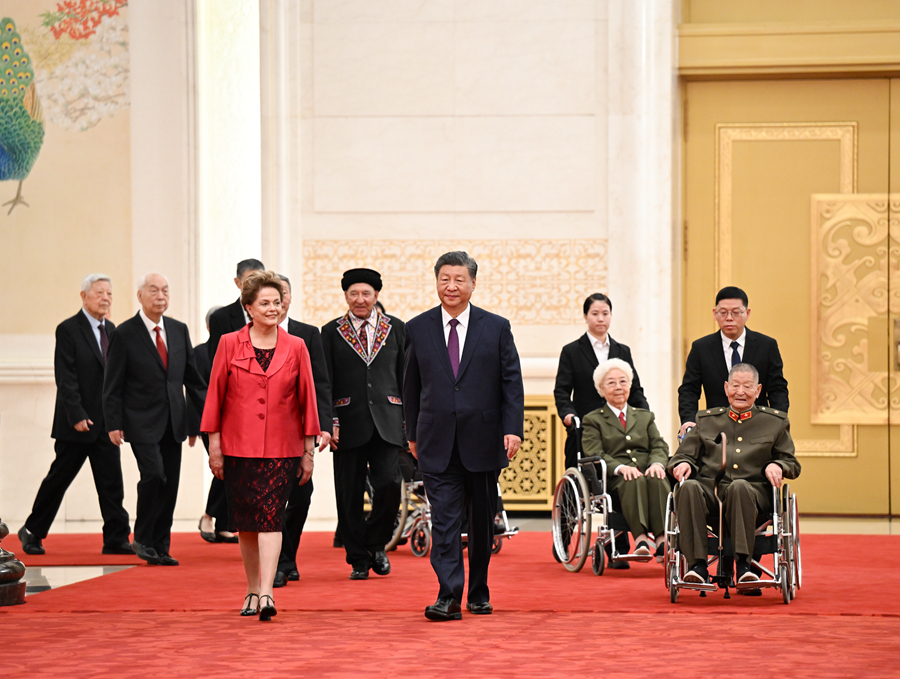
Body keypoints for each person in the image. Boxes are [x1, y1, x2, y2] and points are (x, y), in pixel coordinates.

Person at [403, 251, 524, 621]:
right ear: (436, 282)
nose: (451, 286)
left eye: (459, 279)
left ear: (473, 283)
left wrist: (512, 428)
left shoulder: (496, 327)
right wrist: (411, 433)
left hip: (483, 440)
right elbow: (411, 386)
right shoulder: (418, 327)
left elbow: (511, 382)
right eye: (445, 279)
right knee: (444, 521)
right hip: (435, 439)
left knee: (482, 522)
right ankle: (448, 596)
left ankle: (479, 591)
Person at [201, 270, 319, 621]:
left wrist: (308, 452)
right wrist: (214, 446)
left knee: (270, 517)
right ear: (248, 307)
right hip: (238, 448)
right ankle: (252, 588)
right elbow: (215, 397)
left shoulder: (297, 346)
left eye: (277, 302)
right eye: (264, 303)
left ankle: (266, 592)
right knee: (247, 523)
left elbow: (308, 400)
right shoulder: (228, 343)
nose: (273, 308)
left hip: (283, 448)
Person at [18, 274, 131, 556]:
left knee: (112, 483)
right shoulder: (68, 329)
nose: (105, 298)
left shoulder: (112, 330)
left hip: (105, 423)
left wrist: (118, 418)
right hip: (76, 423)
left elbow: (117, 378)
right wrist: (77, 414)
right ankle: (32, 531)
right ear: (84, 296)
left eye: (109, 293)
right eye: (99, 292)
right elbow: (65, 376)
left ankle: (116, 538)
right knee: (59, 479)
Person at [102, 273, 207, 566]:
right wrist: (113, 423)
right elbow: (112, 383)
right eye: (153, 290)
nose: (161, 296)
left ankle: (161, 546)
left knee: (169, 484)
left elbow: (193, 381)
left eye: (165, 290)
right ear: (140, 296)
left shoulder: (178, 330)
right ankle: (143, 538)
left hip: (174, 421)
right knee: (154, 475)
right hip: (140, 421)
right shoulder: (125, 333)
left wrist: (204, 419)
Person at [668, 363, 800, 585]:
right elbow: (682, 456)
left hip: (753, 493)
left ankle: (745, 567)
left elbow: (791, 463)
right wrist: (682, 463)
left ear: (758, 390)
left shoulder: (774, 422)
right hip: (711, 493)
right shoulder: (706, 420)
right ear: (726, 388)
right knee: (688, 487)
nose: (741, 392)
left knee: (739, 486)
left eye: (747, 386)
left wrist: (777, 465)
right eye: (735, 386)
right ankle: (697, 567)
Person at [321, 268, 405, 580]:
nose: (360, 299)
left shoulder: (396, 328)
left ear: (376, 296)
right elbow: (324, 382)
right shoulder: (330, 332)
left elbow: (406, 376)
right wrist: (329, 421)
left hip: (389, 420)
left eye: (366, 294)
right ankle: (358, 558)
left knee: (389, 485)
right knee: (349, 493)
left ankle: (376, 543)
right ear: (345, 295)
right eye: (353, 294)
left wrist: (409, 422)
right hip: (346, 422)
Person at [273, 274, 332, 589]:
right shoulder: (247, 336)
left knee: (300, 494)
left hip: (298, 430)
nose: (277, 301)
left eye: (282, 293)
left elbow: (320, 382)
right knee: (271, 496)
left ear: (290, 297)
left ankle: (287, 555)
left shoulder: (308, 334)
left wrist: (324, 425)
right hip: (261, 430)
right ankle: (279, 562)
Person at [582, 358, 668, 559]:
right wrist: (620, 467)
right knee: (632, 479)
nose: (618, 387)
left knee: (658, 478)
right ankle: (641, 540)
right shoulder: (593, 419)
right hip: (616, 477)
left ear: (630, 385)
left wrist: (657, 463)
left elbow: (659, 445)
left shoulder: (645, 416)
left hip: (646, 470)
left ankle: (662, 540)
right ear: (601, 389)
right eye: (611, 383)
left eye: (623, 381)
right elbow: (594, 453)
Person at [678, 286, 789, 439]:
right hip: (716, 430)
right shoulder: (701, 348)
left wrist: (778, 421)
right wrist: (689, 420)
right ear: (715, 314)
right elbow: (689, 390)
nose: (729, 318)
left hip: (758, 429)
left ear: (747, 313)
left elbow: (778, 389)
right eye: (723, 313)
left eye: (736, 313)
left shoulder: (766, 346)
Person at [555, 293, 649, 468]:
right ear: (585, 316)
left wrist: (645, 414)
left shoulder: (622, 351)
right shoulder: (571, 351)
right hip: (586, 426)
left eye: (605, 313)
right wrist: (568, 414)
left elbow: (635, 389)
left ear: (611, 316)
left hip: (619, 428)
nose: (600, 319)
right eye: (595, 314)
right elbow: (562, 390)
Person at [186, 305, 237, 544]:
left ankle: (223, 525)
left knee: (233, 471)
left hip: (236, 422)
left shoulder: (238, 349)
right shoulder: (198, 353)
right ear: (209, 327)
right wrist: (193, 427)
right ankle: (208, 515)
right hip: (210, 423)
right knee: (224, 468)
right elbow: (193, 391)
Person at [207, 258, 265, 362]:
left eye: (259, 282)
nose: (255, 287)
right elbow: (217, 361)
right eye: (249, 282)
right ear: (237, 282)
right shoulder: (220, 318)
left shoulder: (272, 313)